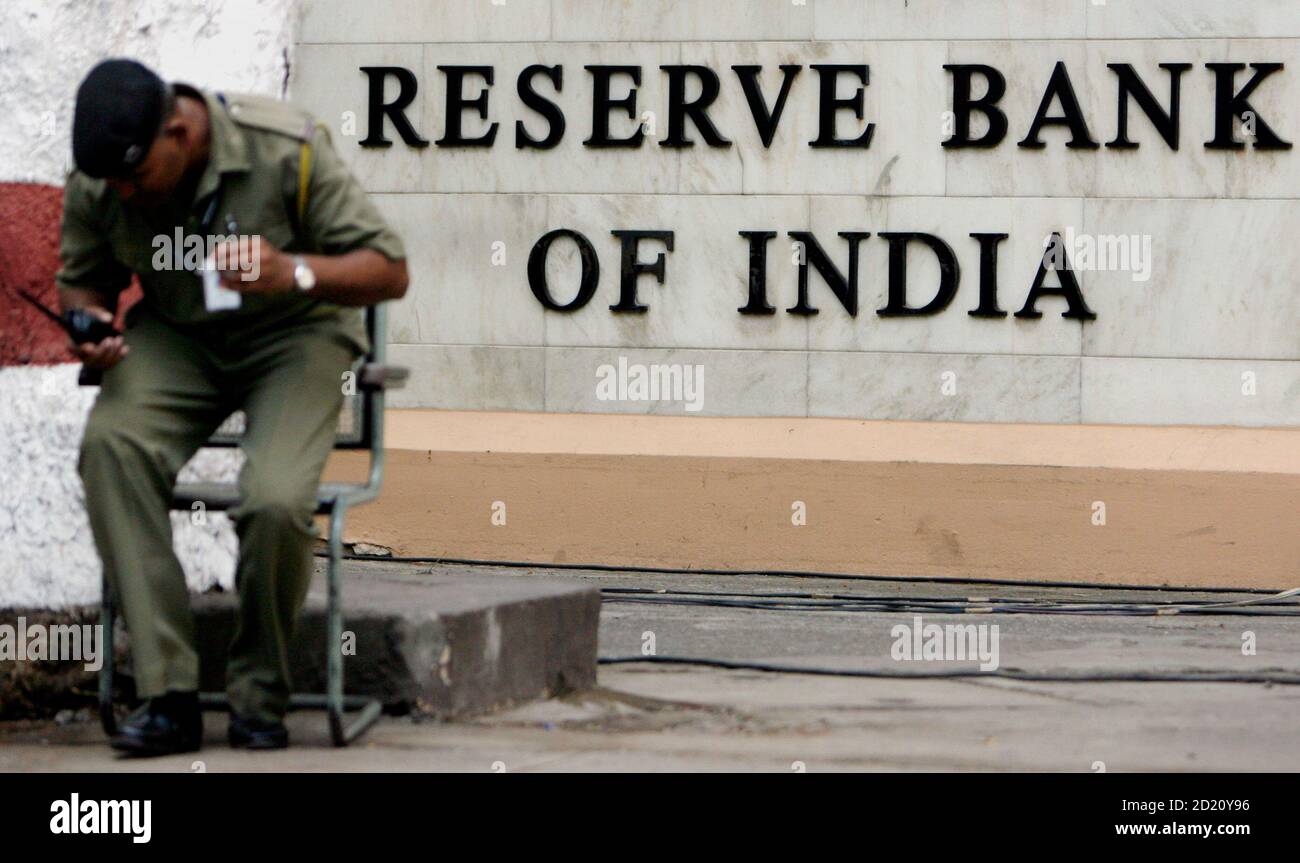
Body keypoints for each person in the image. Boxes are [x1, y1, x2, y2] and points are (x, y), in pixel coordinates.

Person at [58, 58, 408, 755]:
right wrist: (87, 325)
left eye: (135, 177)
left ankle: (260, 693)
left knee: (275, 499)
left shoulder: (286, 148)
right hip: (178, 337)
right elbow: (84, 282)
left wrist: (293, 270)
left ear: (181, 133)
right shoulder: (103, 178)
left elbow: (389, 269)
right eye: (114, 183)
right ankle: (167, 693)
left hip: (296, 333)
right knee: (111, 449)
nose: (123, 192)